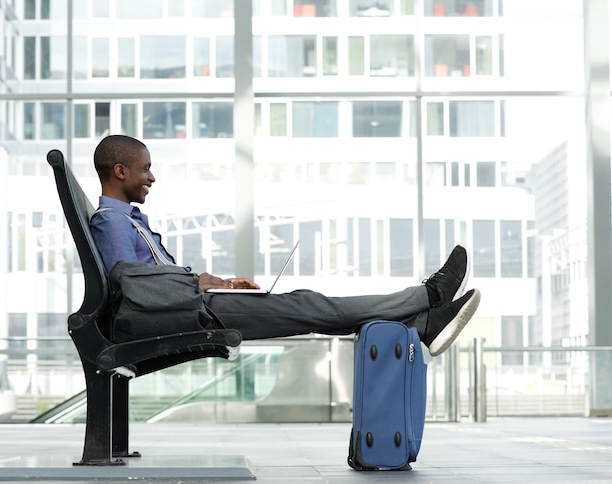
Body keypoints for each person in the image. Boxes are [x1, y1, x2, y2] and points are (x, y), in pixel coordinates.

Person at [90, 135, 481, 357]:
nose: (152, 177)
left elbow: (151, 281)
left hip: (198, 305)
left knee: (312, 307)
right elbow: (136, 287)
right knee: (311, 307)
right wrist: (201, 288)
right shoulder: (112, 221)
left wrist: (212, 280)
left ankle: (422, 323)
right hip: (197, 315)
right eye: (145, 169)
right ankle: (427, 297)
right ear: (120, 171)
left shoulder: (127, 220)